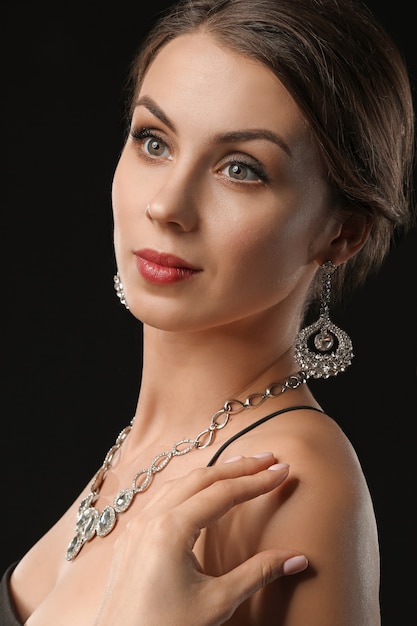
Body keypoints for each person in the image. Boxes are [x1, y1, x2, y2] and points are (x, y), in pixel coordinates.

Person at [2, 0, 415, 624]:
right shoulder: (147, 449)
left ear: (340, 234)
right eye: (153, 141)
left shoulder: (287, 478)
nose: (168, 204)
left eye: (240, 169)